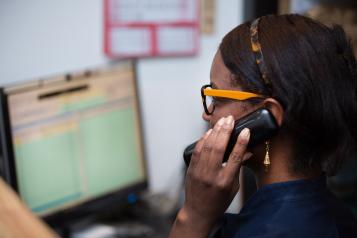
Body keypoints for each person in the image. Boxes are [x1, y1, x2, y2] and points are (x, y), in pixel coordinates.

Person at [169, 14, 357, 238]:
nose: (205, 113)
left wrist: (193, 217)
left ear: (268, 116)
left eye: (216, 99)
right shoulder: (335, 213)